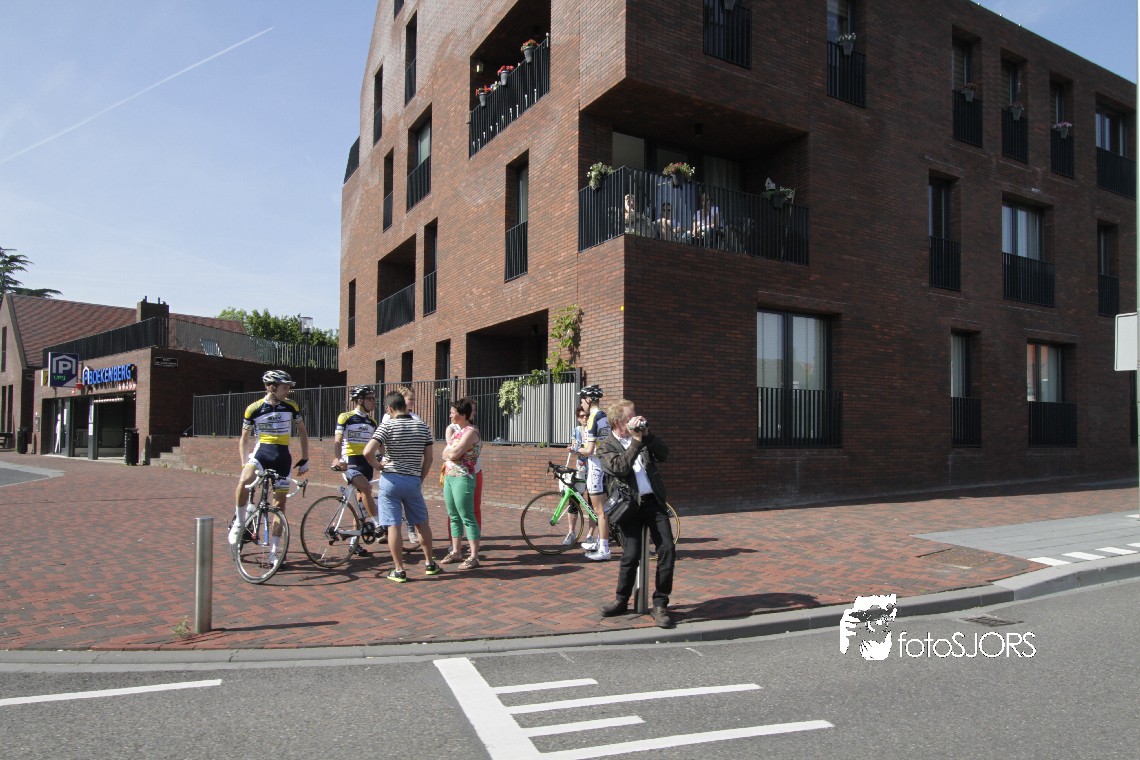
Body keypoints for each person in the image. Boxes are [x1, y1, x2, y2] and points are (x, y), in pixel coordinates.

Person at [597, 399, 675, 628]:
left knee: (667, 549)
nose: (637, 420)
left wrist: (647, 436)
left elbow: (665, 454)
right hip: (628, 505)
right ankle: (621, 599)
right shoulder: (606, 446)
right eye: (631, 417)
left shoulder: (642, 437)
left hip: (653, 502)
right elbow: (620, 468)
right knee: (630, 555)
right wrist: (636, 442)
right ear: (618, 422)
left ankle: (660, 603)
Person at [228, 370, 310, 566]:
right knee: (244, 481)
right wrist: (244, 463)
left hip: (283, 457)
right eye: (284, 388)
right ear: (272, 388)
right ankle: (240, 522)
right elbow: (244, 439)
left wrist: (305, 458)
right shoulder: (254, 408)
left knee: (279, 506)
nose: (288, 391)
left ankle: (274, 551)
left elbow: (302, 432)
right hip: (262, 454)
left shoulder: (291, 406)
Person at [363, 391, 440, 582]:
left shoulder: (387, 425)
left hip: (390, 480)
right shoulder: (422, 426)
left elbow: (367, 452)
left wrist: (379, 466)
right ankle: (430, 563)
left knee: (393, 525)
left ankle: (399, 570)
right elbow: (429, 458)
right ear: (404, 406)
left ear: (389, 408)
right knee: (421, 523)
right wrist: (420, 478)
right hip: (412, 480)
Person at [331, 385, 384, 556]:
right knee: (366, 488)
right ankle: (378, 524)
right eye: (370, 399)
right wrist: (337, 458)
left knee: (362, 505)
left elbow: (379, 444)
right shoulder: (345, 417)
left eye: (374, 399)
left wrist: (384, 458)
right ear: (360, 400)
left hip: (366, 464)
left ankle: (354, 544)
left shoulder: (372, 422)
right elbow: (338, 440)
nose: (374, 402)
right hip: (350, 463)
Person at [439, 397, 482, 569]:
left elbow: (454, 453)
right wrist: (450, 454)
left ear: (462, 415)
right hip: (449, 476)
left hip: (463, 477)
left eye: (453, 413)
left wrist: (451, 454)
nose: (450, 415)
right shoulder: (457, 431)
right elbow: (445, 453)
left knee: (467, 516)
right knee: (453, 515)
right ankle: (456, 551)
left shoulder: (470, 432)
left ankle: (474, 556)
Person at [571, 385, 612, 560]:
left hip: (596, 468)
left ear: (588, 400)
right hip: (604, 465)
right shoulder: (604, 416)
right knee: (603, 509)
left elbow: (588, 450)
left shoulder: (592, 419)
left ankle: (604, 549)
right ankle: (600, 542)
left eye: (582, 401)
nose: (581, 404)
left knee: (599, 511)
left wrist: (575, 449)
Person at [381, 385, 422, 548]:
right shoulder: (388, 417)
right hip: (394, 467)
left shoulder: (416, 418)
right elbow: (381, 441)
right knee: (394, 505)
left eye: (414, 399)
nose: (412, 402)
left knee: (409, 503)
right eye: (409, 399)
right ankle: (386, 530)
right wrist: (382, 460)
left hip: (411, 467)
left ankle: (411, 530)